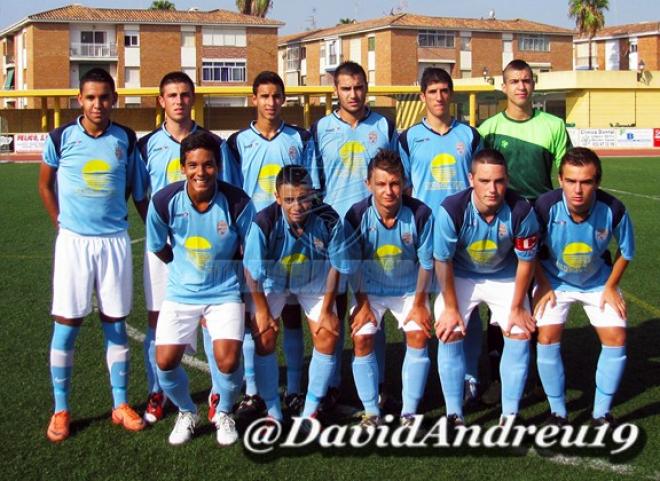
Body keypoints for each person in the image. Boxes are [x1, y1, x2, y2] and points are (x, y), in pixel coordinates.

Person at [39, 67, 147, 442]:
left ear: (114, 99)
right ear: (79, 99)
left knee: (115, 326)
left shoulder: (126, 138)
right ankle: (61, 409)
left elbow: (138, 191)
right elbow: (45, 183)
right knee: (66, 326)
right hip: (74, 244)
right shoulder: (61, 136)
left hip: (114, 241)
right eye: (90, 97)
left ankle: (119, 404)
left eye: (104, 97)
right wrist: (59, 223)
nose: (98, 104)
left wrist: (153, 228)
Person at [146, 131, 254, 446]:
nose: (200, 172)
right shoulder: (164, 200)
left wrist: (248, 298)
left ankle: (224, 411)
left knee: (228, 360)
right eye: (193, 165)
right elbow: (158, 245)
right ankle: (186, 411)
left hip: (225, 293)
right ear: (183, 167)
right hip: (181, 293)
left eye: (207, 165)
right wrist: (183, 270)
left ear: (217, 166)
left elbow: (249, 251)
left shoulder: (237, 202)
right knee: (164, 361)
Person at [223, 71, 318, 416]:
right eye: (264, 96)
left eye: (276, 95)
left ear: (284, 98)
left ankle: (293, 388)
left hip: (294, 239)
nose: (271, 102)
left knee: (292, 314)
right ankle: (252, 390)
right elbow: (231, 192)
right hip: (255, 240)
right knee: (257, 318)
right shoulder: (237, 142)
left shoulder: (300, 137)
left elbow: (309, 187)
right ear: (254, 99)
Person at [477, 59, 571, 404]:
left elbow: (565, 175)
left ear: (534, 85)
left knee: (537, 296)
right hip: (499, 225)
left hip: (541, 223)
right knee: (501, 297)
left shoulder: (554, 126)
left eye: (527, 80)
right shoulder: (487, 128)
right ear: (504, 86)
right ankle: (497, 374)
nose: (521, 87)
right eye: (514, 81)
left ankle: (532, 371)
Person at [137, 71, 225, 425]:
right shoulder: (146, 146)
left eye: (185, 94)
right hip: (162, 248)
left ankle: (218, 392)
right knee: (158, 318)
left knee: (208, 318)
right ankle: (157, 391)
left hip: (204, 246)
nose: (178, 101)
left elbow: (225, 189)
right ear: (161, 101)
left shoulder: (212, 142)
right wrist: (159, 230)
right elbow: (140, 194)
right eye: (171, 95)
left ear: (193, 98)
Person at [311, 61, 399, 410]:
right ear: (336, 91)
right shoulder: (319, 129)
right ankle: (331, 385)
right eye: (346, 88)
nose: (353, 94)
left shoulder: (383, 125)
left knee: (371, 310)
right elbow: (314, 184)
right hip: (335, 231)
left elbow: (394, 174)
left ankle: (374, 384)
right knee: (332, 308)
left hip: (375, 229)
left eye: (359, 87)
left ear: (366, 87)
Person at [433, 149, 539, 426]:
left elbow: (526, 262)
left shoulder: (521, 210)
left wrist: (517, 308)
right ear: (471, 179)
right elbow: (442, 261)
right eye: (484, 181)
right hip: (461, 275)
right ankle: (454, 413)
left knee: (519, 331)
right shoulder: (451, 209)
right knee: (449, 330)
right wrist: (452, 308)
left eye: (499, 181)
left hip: (504, 276)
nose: (492, 189)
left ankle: (510, 414)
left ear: (507, 180)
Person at [398, 66, 483, 404]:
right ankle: (417, 376)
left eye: (444, 91)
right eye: (432, 91)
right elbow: (403, 186)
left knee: (467, 307)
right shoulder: (406, 138)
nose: (438, 97)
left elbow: (480, 181)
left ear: (451, 94)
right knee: (417, 307)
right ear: (422, 96)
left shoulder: (470, 136)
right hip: (423, 232)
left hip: (464, 233)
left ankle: (469, 375)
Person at [533, 147, 634, 426]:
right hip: (554, 281)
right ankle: (558, 412)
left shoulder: (613, 209)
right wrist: (542, 284)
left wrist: (611, 286)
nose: (578, 189)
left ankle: (601, 413)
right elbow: (528, 252)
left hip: (598, 282)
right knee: (547, 337)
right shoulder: (543, 207)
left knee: (616, 338)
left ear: (597, 182)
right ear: (560, 179)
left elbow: (625, 251)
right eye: (571, 181)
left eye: (586, 182)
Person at [243, 165, 348, 422]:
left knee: (328, 332)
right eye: (289, 199)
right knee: (264, 334)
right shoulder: (264, 222)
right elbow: (252, 272)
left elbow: (336, 265)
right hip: (273, 281)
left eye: (303, 198)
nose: (297, 206)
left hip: (314, 278)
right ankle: (272, 411)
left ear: (312, 194)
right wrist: (264, 313)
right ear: (277, 197)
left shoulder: (329, 218)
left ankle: (311, 410)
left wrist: (326, 310)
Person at [344, 150, 433, 427]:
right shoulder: (357, 215)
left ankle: (408, 412)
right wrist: (362, 304)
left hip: (409, 290)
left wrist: (419, 304)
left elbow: (427, 264)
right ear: (368, 183)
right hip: (369, 290)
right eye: (381, 184)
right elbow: (353, 264)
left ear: (404, 183)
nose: (389, 191)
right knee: (362, 337)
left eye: (394, 183)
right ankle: (371, 412)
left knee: (419, 335)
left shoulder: (420, 213)